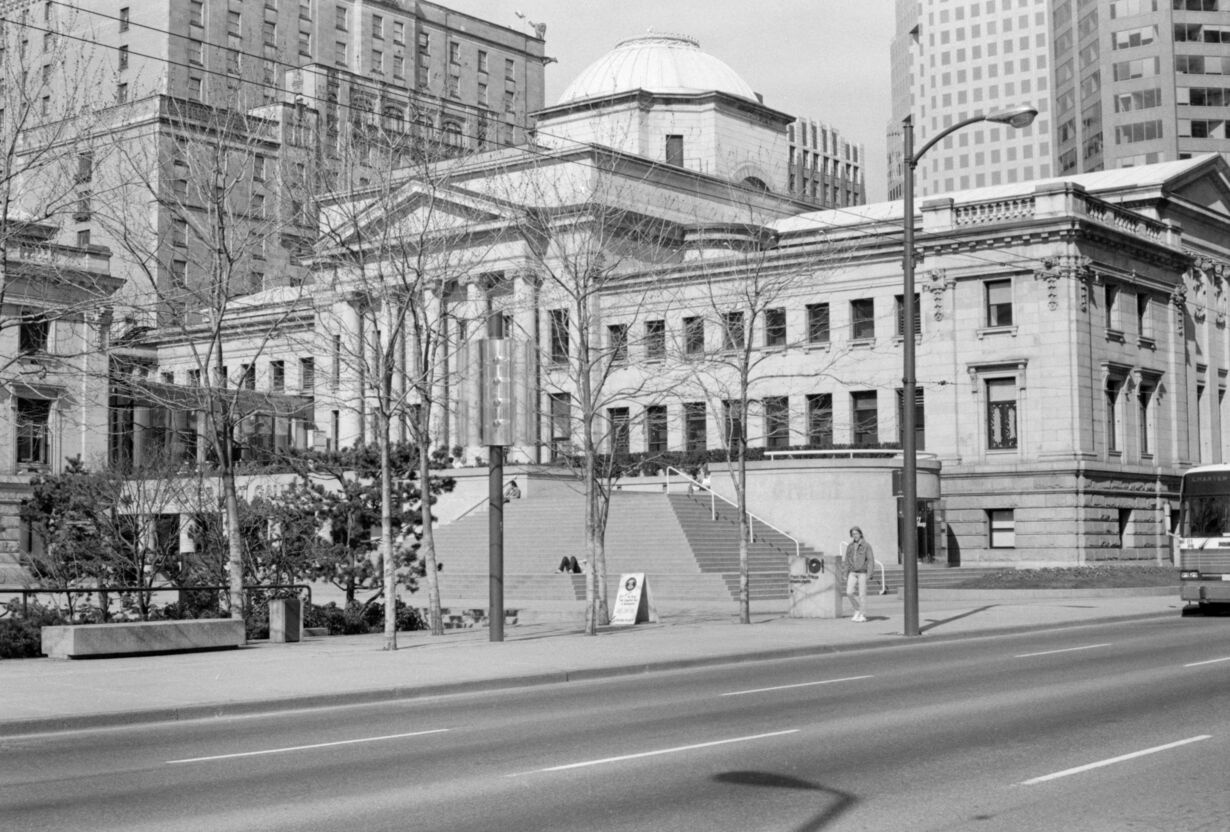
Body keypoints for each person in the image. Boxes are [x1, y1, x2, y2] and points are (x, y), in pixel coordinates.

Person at [844, 526, 875, 622]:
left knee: (862, 594)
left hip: (862, 572)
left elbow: (871, 560)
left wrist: (869, 574)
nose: (855, 535)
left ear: (860, 534)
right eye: (853, 534)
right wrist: (845, 573)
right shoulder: (850, 546)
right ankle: (857, 609)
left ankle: (863, 614)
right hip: (852, 572)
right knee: (849, 592)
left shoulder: (866, 546)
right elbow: (846, 561)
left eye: (856, 533)